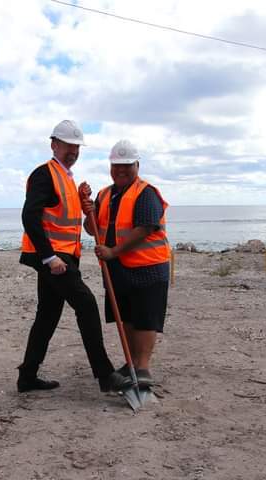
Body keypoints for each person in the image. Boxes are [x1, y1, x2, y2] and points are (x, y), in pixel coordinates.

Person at [18, 120, 133, 394]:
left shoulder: (67, 178)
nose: (73, 151)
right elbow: (29, 216)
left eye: (76, 147)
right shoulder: (44, 174)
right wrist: (48, 257)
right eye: (68, 145)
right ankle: (105, 375)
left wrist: (86, 204)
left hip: (64, 256)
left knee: (47, 316)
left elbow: (67, 217)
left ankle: (27, 377)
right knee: (87, 304)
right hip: (52, 258)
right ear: (54, 144)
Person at [82, 139, 170, 388]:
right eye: (116, 165)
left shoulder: (146, 193)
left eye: (126, 165)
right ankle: (130, 362)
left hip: (148, 267)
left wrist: (114, 251)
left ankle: (142, 368)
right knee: (127, 317)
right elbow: (91, 229)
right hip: (117, 270)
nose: (120, 170)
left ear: (137, 165)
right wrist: (85, 210)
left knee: (145, 318)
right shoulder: (104, 194)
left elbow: (144, 229)